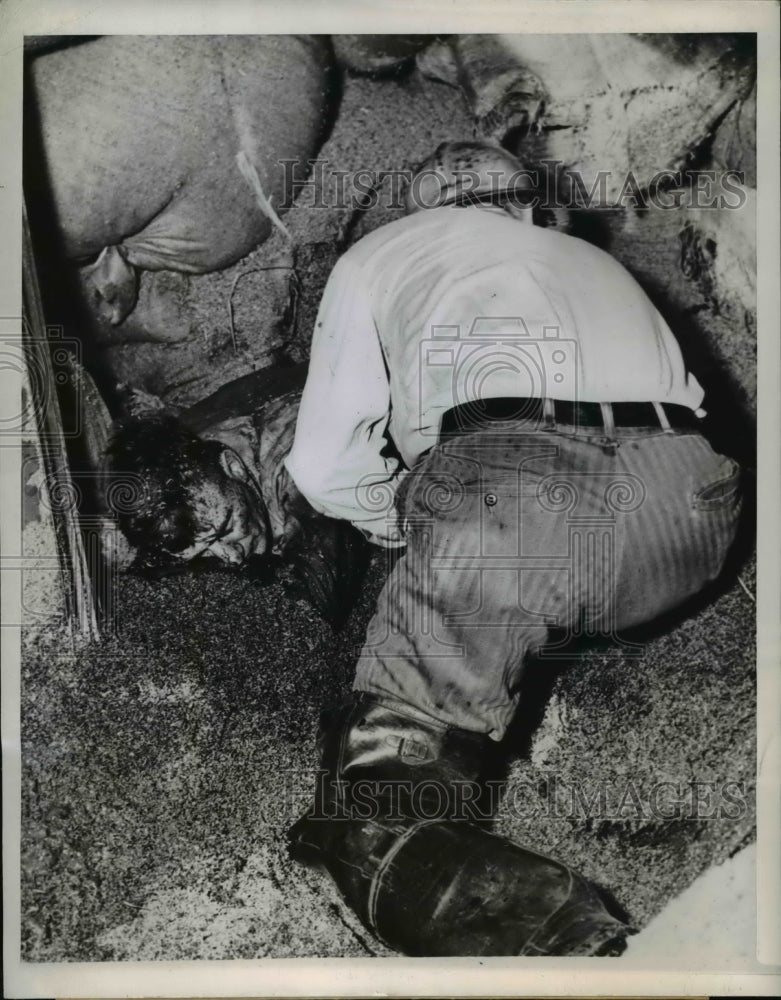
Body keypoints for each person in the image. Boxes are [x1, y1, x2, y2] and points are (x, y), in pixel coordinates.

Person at [283, 141, 744, 956]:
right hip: (693, 520)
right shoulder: (585, 256)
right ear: (531, 206)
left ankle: (558, 944)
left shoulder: (383, 253)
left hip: (517, 504)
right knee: (535, 581)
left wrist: (406, 534)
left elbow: (320, 465)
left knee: (368, 819)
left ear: (423, 208)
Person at [104, 385, 369, 627]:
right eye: (204, 551)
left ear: (233, 466)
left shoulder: (298, 475)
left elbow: (318, 599)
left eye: (225, 530)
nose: (231, 557)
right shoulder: (180, 458)